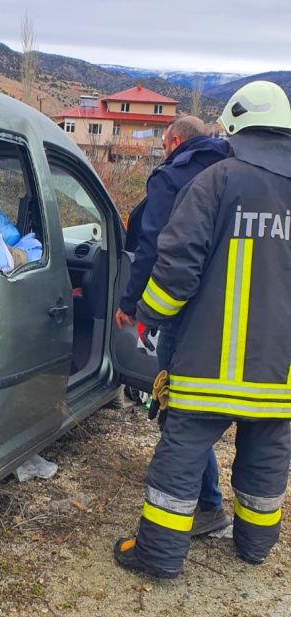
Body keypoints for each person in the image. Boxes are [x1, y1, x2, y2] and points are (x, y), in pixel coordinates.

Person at [113, 81, 291, 578]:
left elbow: (175, 268)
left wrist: (147, 316)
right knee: (266, 459)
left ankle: (158, 557)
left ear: (234, 125)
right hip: (279, 373)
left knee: (182, 457)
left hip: (208, 366)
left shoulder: (217, 181)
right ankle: (255, 548)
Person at [116, 116, 230, 536]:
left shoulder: (173, 177)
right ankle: (209, 501)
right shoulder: (231, 171)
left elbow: (152, 247)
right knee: (196, 412)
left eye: (165, 145)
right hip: (230, 315)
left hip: (181, 314)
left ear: (175, 141)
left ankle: (207, 505)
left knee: (179, 411)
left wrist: (133, 305)